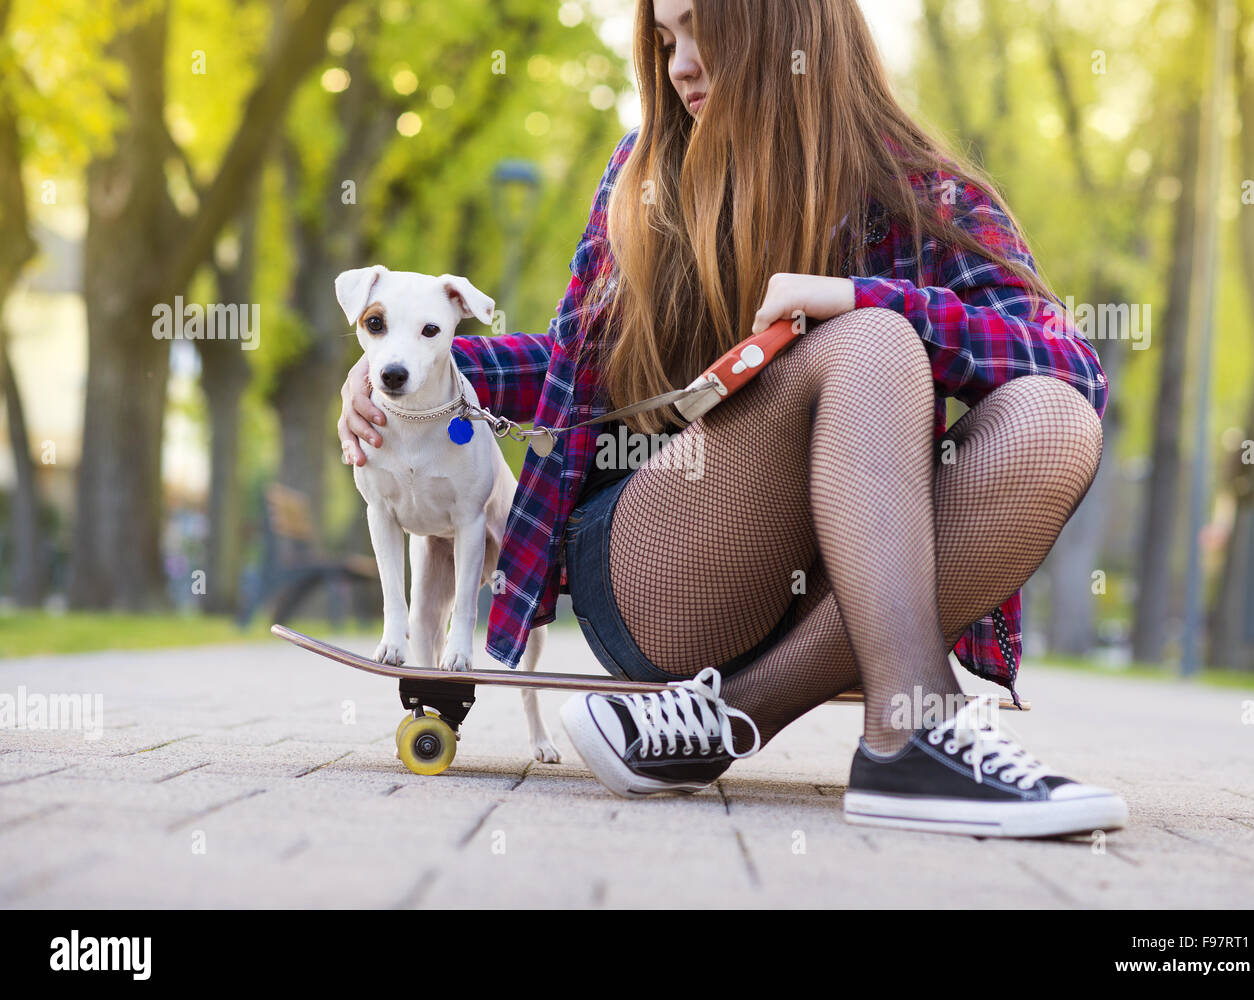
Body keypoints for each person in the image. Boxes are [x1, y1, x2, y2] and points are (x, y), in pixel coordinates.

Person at [339, 0, 1127, 838]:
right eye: (666, 37)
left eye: (701, 29)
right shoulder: (647, 177)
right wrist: (413, 374)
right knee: (869, 347)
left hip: (841, 580)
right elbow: (569, 373)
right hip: (667, 559)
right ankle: (919, 725)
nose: (679, 63)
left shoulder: (919, 188)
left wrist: (863, 296)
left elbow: (1068, 363)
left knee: (1053, 419)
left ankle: (745, 717)